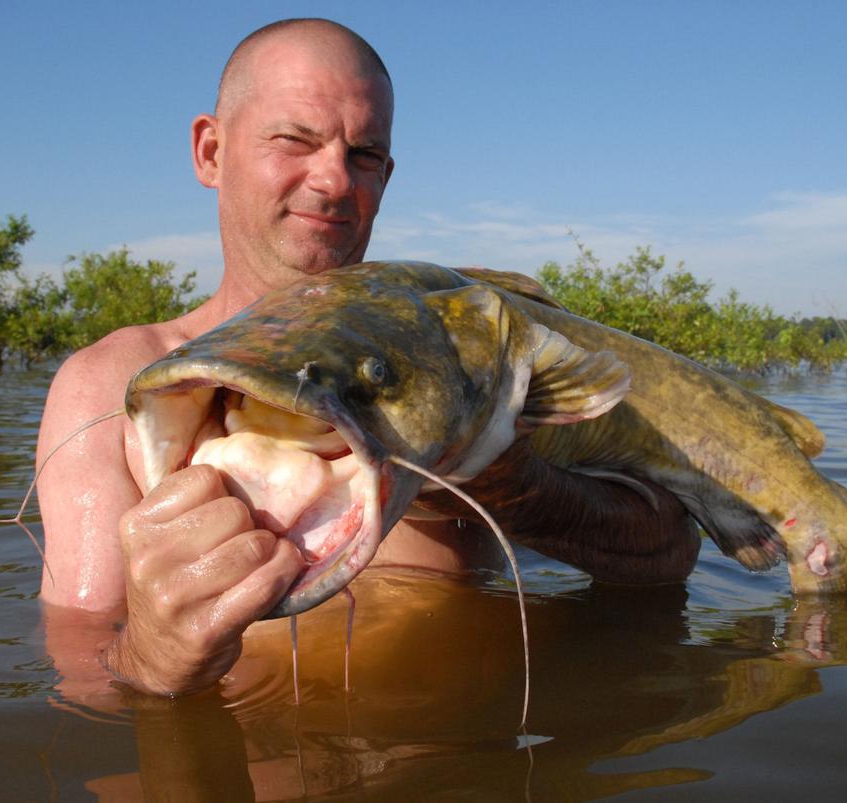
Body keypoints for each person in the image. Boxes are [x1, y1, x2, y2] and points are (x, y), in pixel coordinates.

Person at [36, 18, 698, 701]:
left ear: (386, 174)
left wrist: (514, 485)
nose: (332, 179)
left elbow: (670, 557)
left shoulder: (465, 364)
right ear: (210, 151)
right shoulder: (111, 386)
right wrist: (154, 654)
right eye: (294, 139)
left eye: (364, 153)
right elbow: (84, 675)